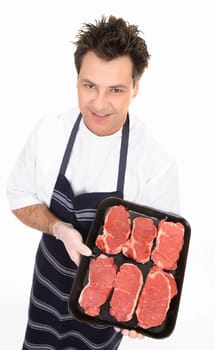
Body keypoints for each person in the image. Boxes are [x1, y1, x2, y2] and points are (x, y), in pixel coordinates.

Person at [7, 15, 180, 350]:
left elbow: (162, 258)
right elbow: (19, 197)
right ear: (76, 81)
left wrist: (140, 309)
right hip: (48, 282)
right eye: (90, 86)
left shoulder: (156, 164)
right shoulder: (49, 132)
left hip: (109, 304)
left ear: (136, 88)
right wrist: (60, 229)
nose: (100, 104)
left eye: (115, 89)